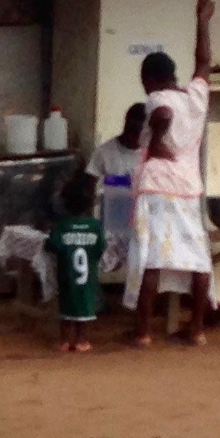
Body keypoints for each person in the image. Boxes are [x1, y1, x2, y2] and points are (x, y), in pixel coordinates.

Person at [128, 95, 216, 348]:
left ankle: (144, 333)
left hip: (156, 187)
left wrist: (157, 135)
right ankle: (196, 330)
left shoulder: (159, 98)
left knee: (151, 260)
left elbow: (163, 113)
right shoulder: (195, 96)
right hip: (187, 188)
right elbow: (202, 71)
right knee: (199, 260)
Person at [89, 100, 146, 299]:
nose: (136, 138)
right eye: (133, 132)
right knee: (97, 253)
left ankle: (142, 298)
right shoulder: (105, 153)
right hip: (111, 223)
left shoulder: (149, 155)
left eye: (141, 133)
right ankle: (95, 296)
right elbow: (88, 185)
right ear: (125, 126)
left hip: (141, 222)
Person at [49, 169, 107, 353]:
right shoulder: (96, 226)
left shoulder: (62, 226)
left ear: (65, 203)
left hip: (66, 277)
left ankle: (64, 341)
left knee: (66, 307)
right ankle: (82, 340)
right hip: (88, 278)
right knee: (86, 308)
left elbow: (52, 245)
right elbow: (100, 248)